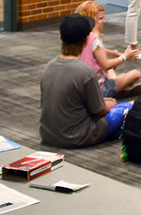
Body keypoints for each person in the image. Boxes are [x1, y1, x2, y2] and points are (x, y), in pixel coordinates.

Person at [40, 14, 132, 148]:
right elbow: (100, 111)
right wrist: (109, 105)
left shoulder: (48, 67)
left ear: (60, 37)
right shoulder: (86, 72)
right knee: (129, 107)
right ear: (86, 40)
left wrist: (103, 102)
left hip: (48, 135)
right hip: (78, 136)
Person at [74, 0, 141, 97]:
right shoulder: (94, 38)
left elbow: (99, 52)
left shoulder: (81, 36)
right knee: (136, 74)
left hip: (84, 86)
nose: (104, 21)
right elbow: (106, 65)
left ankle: (118, 85)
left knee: (111, 71)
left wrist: (116, 53)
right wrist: (125, 57)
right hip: (98, 90)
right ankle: (117, 89)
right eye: (100, 18)